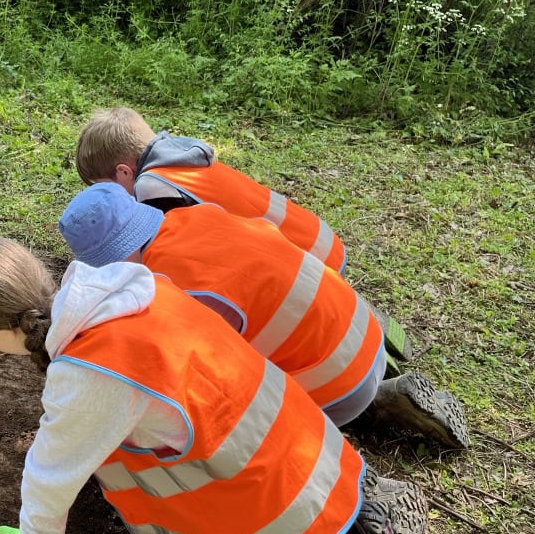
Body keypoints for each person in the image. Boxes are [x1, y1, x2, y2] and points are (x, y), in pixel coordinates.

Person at [0, 237, 409, 534]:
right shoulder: (133, 291)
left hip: (273, 507)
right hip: (322, 462)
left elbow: (50, 477)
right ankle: (359, 519)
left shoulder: (90, 374)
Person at [58, 184, 470, 457]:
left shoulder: (174, 285)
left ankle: (357, 417)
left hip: (336, 381)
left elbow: (209, 378)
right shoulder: (198, 216)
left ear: (115, 258)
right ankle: (378, 390)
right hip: (363, 329)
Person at [75, 106, 414, 366]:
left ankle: (375, 368)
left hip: (294, 269)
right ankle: (370, 326)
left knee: (300, 330)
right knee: (332, 313)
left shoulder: (151, 186)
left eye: (104, 188)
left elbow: (175, 250)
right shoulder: (180, 157)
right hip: (314, 250)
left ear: (123, 171)